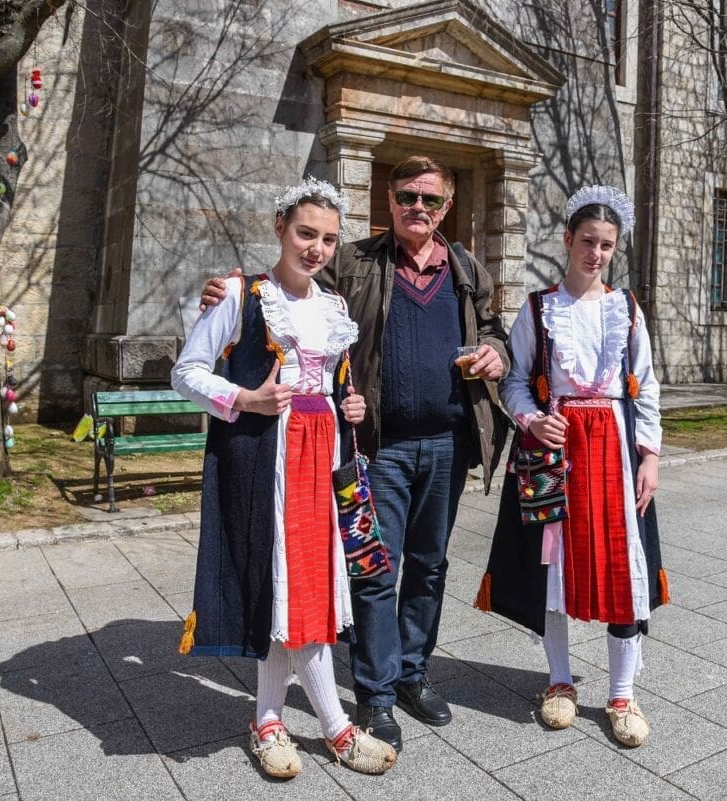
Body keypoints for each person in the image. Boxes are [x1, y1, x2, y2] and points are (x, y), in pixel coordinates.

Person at [199, 155, 509, 751]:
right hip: (377, 446)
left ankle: (413, 675)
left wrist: (497, 351)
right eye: (407, 196)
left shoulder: (467, 268)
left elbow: (493, 327)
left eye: (431, 199)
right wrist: (226, 292)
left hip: (447, 443)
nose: (418, 207)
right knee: (373, 568)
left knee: (429, 567)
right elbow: (293, 283)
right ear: (389, 200)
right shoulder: (354, 259)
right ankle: (377, 693)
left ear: (447, 207)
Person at [171, 176, 397, 778]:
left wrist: (349, 404)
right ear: (280, 229)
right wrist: (245, 398)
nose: (316, 248)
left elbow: (335, 381)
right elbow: (186, 372)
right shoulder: (240, 294)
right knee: (293, 588)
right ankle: (336, 727)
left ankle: (267, 720)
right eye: (305, 233)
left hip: (324, 457)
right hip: (268, 459)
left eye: (328, 239)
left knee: (296, 590)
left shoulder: (334, 306)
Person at [473, 185, 669, 747]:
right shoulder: (539, 309)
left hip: (613, 448)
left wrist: (650, 456)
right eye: (587, 241)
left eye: (606, 244)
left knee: (621, 565)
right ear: (567, 240)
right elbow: (514, 381)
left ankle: (622, 694)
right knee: (553, 565)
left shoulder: (627, 309)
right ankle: (559, 681)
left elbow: (646, 386)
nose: (596, 253)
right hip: (554, 450)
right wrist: (532, 420)